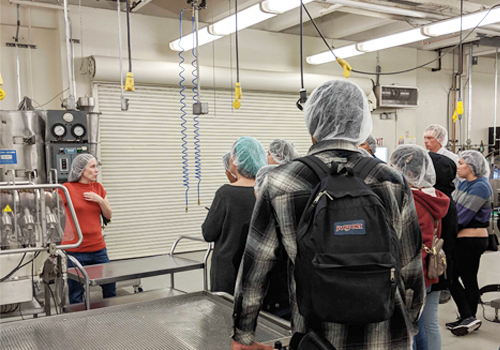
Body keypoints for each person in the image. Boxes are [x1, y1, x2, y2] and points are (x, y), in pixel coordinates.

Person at [231, 80, 425, 350]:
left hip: (317, 337)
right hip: (387, 335)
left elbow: (256, 267)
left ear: (313, 124)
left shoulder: (280, 183)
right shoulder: (392, 180)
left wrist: (243, 334)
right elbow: (411, 266)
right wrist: (410, 322)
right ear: (361, 124)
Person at [390, 145, 450, 350]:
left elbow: (407, 243)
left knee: (412, 329)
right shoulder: (433, 196)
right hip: (430, 270)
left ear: (411, 172)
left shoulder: (411, 201)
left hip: (414, 275)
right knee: (427, 324)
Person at [202, 137, 267, 295]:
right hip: (259, 267)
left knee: (224, 315)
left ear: (237, 161)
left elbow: (208, 233)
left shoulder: (226, 194)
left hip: (228, 271)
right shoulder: (266, 191)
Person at [447, 150, 492, 336]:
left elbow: (461, 216)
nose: (458, 167)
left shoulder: (481, 186)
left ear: (472, 166)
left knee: (466, 278)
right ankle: (467, 315)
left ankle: (469, 316)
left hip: (472, 240)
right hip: (462, 239)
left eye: (462, 163)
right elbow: (453, 209)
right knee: (450, 277)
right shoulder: (465, 184)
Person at [60, 154, 115, 304]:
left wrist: (100, 200)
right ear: (81, 170)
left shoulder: (98, 188)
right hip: (75, 250)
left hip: (98, 248)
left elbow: (108, 214)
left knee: (110, 285)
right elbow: (50, 205)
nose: (96, 170)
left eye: (96, 166)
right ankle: (78, 323)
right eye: (92, 167)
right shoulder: (66, 189)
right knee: (76, 292)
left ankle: (113, 317)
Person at [428, 152, 459, 305]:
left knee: (428, 320)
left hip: (434, 267)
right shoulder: (445, 197)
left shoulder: (436, 200)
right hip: (439, 266)